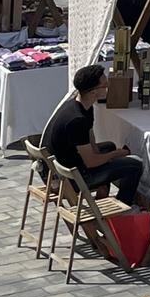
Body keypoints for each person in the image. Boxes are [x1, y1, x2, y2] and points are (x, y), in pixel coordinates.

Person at [44, 64, 144, 205]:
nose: (108, 87)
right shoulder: (77, 120)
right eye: (105, 85)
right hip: (72, 177)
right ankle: (124, 207)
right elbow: (90, 162)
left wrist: (106, 154)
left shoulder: (83, 106)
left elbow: (90, 136)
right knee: (134, 165)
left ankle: (102, 196)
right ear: (93, 92)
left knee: (109, 146)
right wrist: (116, 154)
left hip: (70, 164)